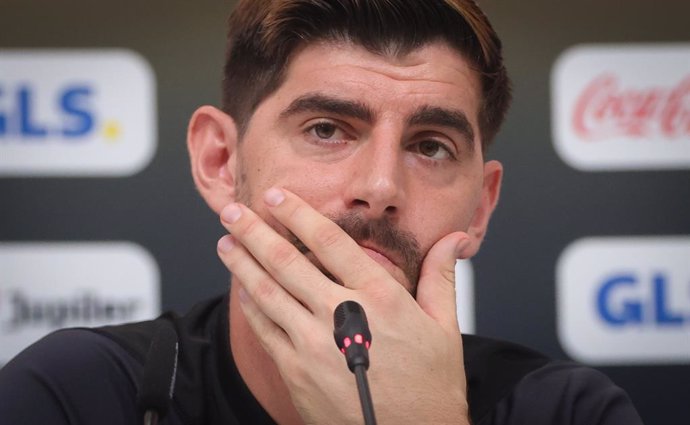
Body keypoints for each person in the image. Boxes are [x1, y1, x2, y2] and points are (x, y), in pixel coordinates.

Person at [0, 1, 643, 424]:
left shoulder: (570, 411)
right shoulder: (74, 396)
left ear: (481, 207)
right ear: (221, 162)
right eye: (327, 130)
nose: (381, 185)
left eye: (430, 146)